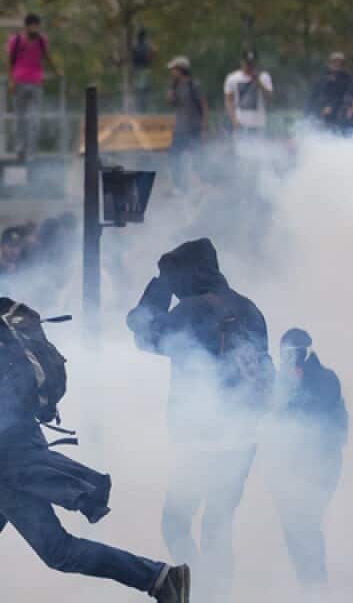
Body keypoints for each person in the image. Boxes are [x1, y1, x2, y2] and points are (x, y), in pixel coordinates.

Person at [0, 254, 190, 603]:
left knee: (57, 550)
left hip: (2, 456)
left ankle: (158, 578)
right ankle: (159, 578)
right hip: (10, 443)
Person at [125, 238, 272, 603]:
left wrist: (158, 287)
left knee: (174, 523)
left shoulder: (190, 310)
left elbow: (144, 335)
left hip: (201, 438)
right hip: (243, 438)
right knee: (218, 527)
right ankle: (219, 594)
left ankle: (201, 591)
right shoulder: (250, 308)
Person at [262, 328, 347, 588]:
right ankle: (309, 584)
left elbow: (313, 417)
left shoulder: (325, 379)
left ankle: (316, 587)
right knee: (294, 530)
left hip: (321, 467)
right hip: (290, 469)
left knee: (306, 526)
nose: (284, 361)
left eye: (290, 355)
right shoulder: (283, 383)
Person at [7, 14, 60, 159]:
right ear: (27, 26)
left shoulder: (41, 40)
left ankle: (31, 150)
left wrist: (56, 71)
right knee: (20, 118)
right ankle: (20, 149)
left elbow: (47, 56)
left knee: (35, 119)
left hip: (36, 82)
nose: (35, 28)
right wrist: (11, 81)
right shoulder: (16, 40)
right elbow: (10, 61)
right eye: (33, 25)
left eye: (37, 26)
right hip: (19, 81)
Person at [165, 56, 206, 190]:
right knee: (174, 157)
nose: (171, 72)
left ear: (181, 70)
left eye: (174, 69)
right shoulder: (175, 85)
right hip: (179, 129)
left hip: (193, 128)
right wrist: (171, 94)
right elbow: (172, 103)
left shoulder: (193, 85)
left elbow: (203, 105)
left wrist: (204, 127)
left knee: (197, 159)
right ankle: (180, 187)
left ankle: (200, 185)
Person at [222, 50, 273, 135]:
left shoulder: (264, 77)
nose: (250, 66)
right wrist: (233, 120)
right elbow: (228, 101)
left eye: (252, 63)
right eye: (247, 63)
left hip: (258, 124)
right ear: (242, 62)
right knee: (241, 148)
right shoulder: (232, 78)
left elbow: (270, 98)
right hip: (240, 124)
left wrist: (258, 81)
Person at [306, 52, 353, 130]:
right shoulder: (322, 77)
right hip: (321, 106)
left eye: (339, 62)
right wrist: (309, 110)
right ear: (330, 63)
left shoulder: (346, 78)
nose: (336, 64)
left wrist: (331, 106)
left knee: (330, 118)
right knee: (311, 117)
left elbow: (344, 95)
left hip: (338, 107)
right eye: (334, 62)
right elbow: (314, 95)